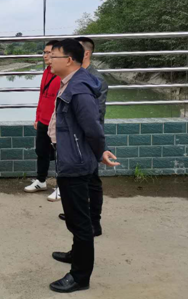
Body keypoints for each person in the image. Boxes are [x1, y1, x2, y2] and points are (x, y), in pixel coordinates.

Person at [46, 39, 118, 293]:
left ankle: (79, 277)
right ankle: (76, 255)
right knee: (75, 219)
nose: (49, 59)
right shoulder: (71, 82)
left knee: (79, 222)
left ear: (68, 60)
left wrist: (100, 151)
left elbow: (93, 127)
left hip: (75, 161)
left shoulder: (78, 90)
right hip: (71, 157)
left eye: (53, 56)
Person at [57, 37, 118, 233]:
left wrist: (99, 148)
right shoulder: (73, 77)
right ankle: (79, 214)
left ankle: (94, 221)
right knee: (82, 182)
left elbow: (95, 117)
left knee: (92, 180)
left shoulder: (93, 80)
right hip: (77, 137)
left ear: (86, 54)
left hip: (87, 138)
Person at [24, 40, 61, 200]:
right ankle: (41, 181)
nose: (45, 56)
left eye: (49, 53)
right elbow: (42, 97)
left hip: (57, 123)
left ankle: (62, 187)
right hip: (43, 121)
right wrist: (38, 118)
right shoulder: (46, 71)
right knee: (41, 152)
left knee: (61, 155)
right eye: (44, 52)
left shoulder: (62, 74)